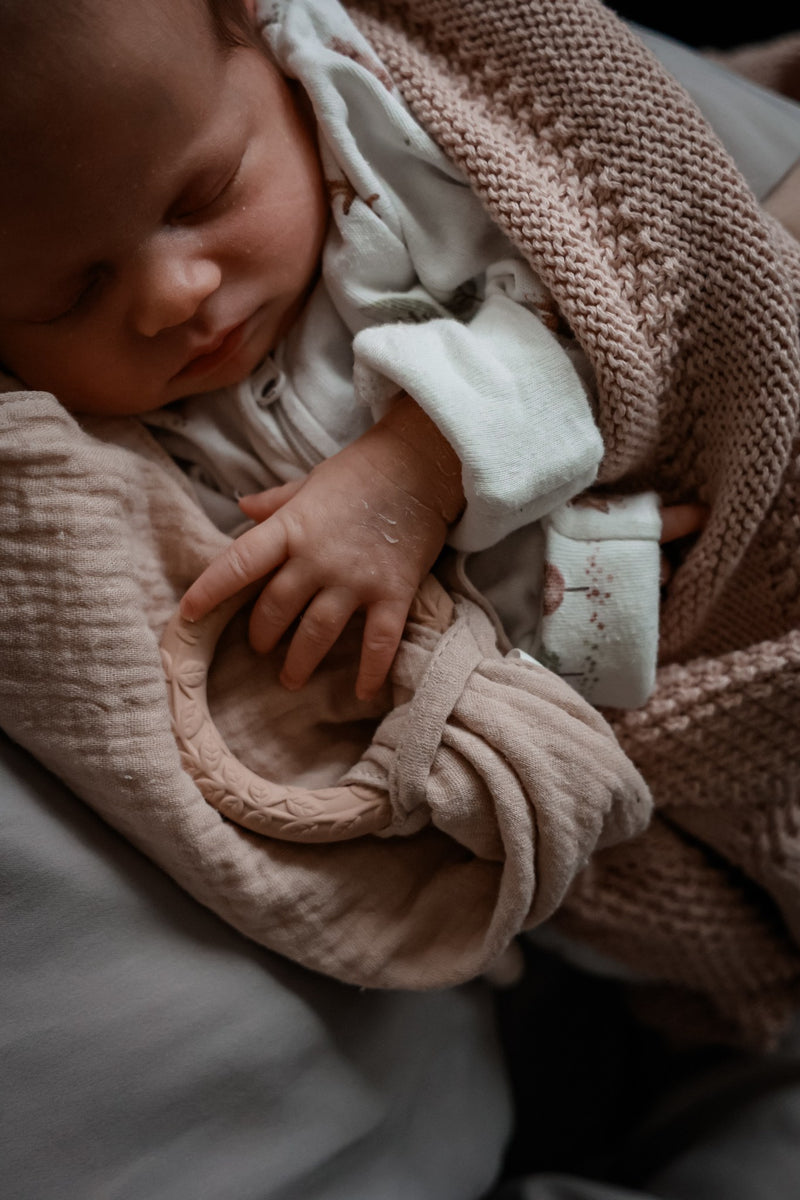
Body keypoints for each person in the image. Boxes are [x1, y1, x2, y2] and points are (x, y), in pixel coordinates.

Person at [0, 0, 703, 712]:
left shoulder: (383, 178)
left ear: (276, 70)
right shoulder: (91, 458)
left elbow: (592, 317)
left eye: (202, 195)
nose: (174, 297)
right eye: (71, 297)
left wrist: (414, 470)